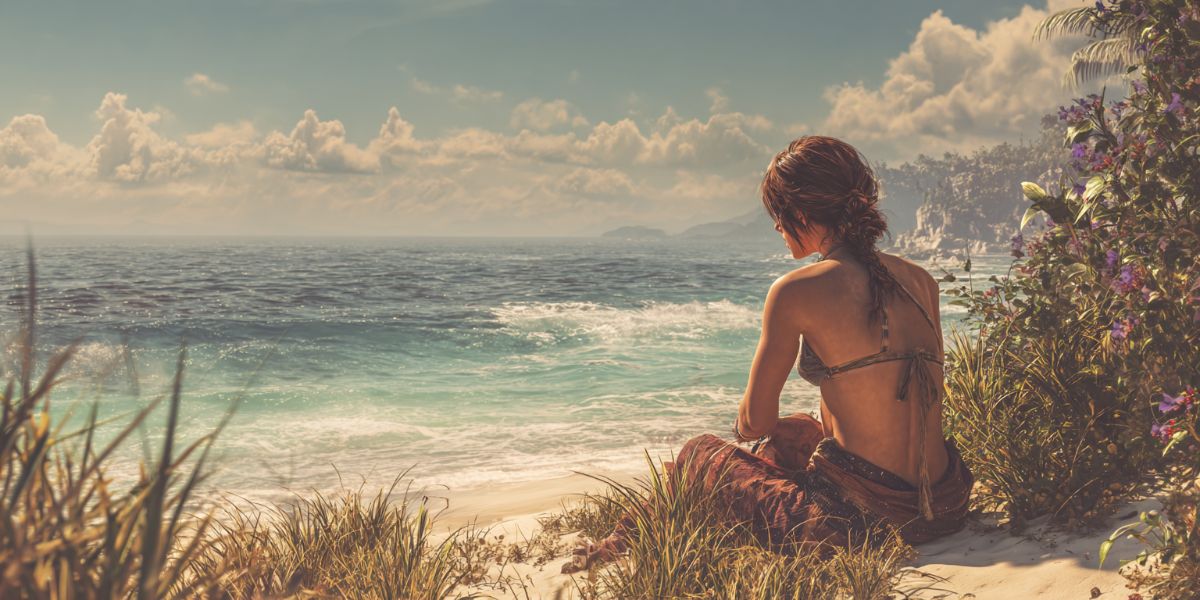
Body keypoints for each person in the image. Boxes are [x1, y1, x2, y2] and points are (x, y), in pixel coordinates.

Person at [562, 135, 973, 574]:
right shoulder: (921, 281)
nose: (777, 227)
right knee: (800, 430)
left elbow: (754, 422)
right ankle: (626, 538)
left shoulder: (796, 290)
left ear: (800, 214)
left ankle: (619, 546)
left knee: (698, 453)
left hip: (863, 523)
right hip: (944, 505)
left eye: (779, 215)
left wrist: (749, 429)